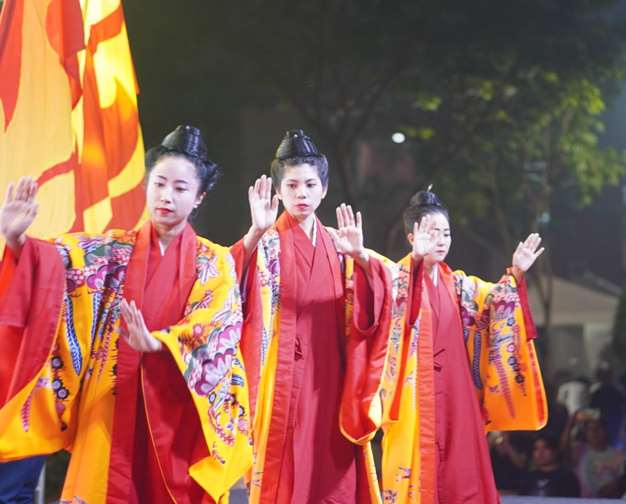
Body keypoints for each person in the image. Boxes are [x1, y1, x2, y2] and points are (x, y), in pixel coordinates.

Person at [0, 125, 251, 502]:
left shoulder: (213, 262)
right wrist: (18, 240)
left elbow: (219, 326)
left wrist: (160, 343)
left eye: (180, 189)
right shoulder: (114, 250)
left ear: (199, 197)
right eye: (159, 184)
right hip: (112, 399)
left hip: (177, 408)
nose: (166, 196)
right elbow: (59, 264)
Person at [230, 130, 394, 503]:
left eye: (309, 184)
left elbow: (390, 288)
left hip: (332, 374)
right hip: (280, 375)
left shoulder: (340, 244)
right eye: (292, 186)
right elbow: (224, 281)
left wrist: (362, 257)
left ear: (323, 190)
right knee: (284, 465)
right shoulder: (267, 241)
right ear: (278, 191)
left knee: (333, 466)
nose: (301, 193)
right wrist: (254, 231)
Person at [377, 189, 548, 503]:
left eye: (446, 233)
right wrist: (414, 266)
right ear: (411, 236)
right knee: (412, 476)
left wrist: (517, 272)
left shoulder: (457, 285)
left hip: (456, 395)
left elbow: (494, 302)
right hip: (414, 397)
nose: (441, 240)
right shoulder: (393, 279)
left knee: (463, 478)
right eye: (432, 233)